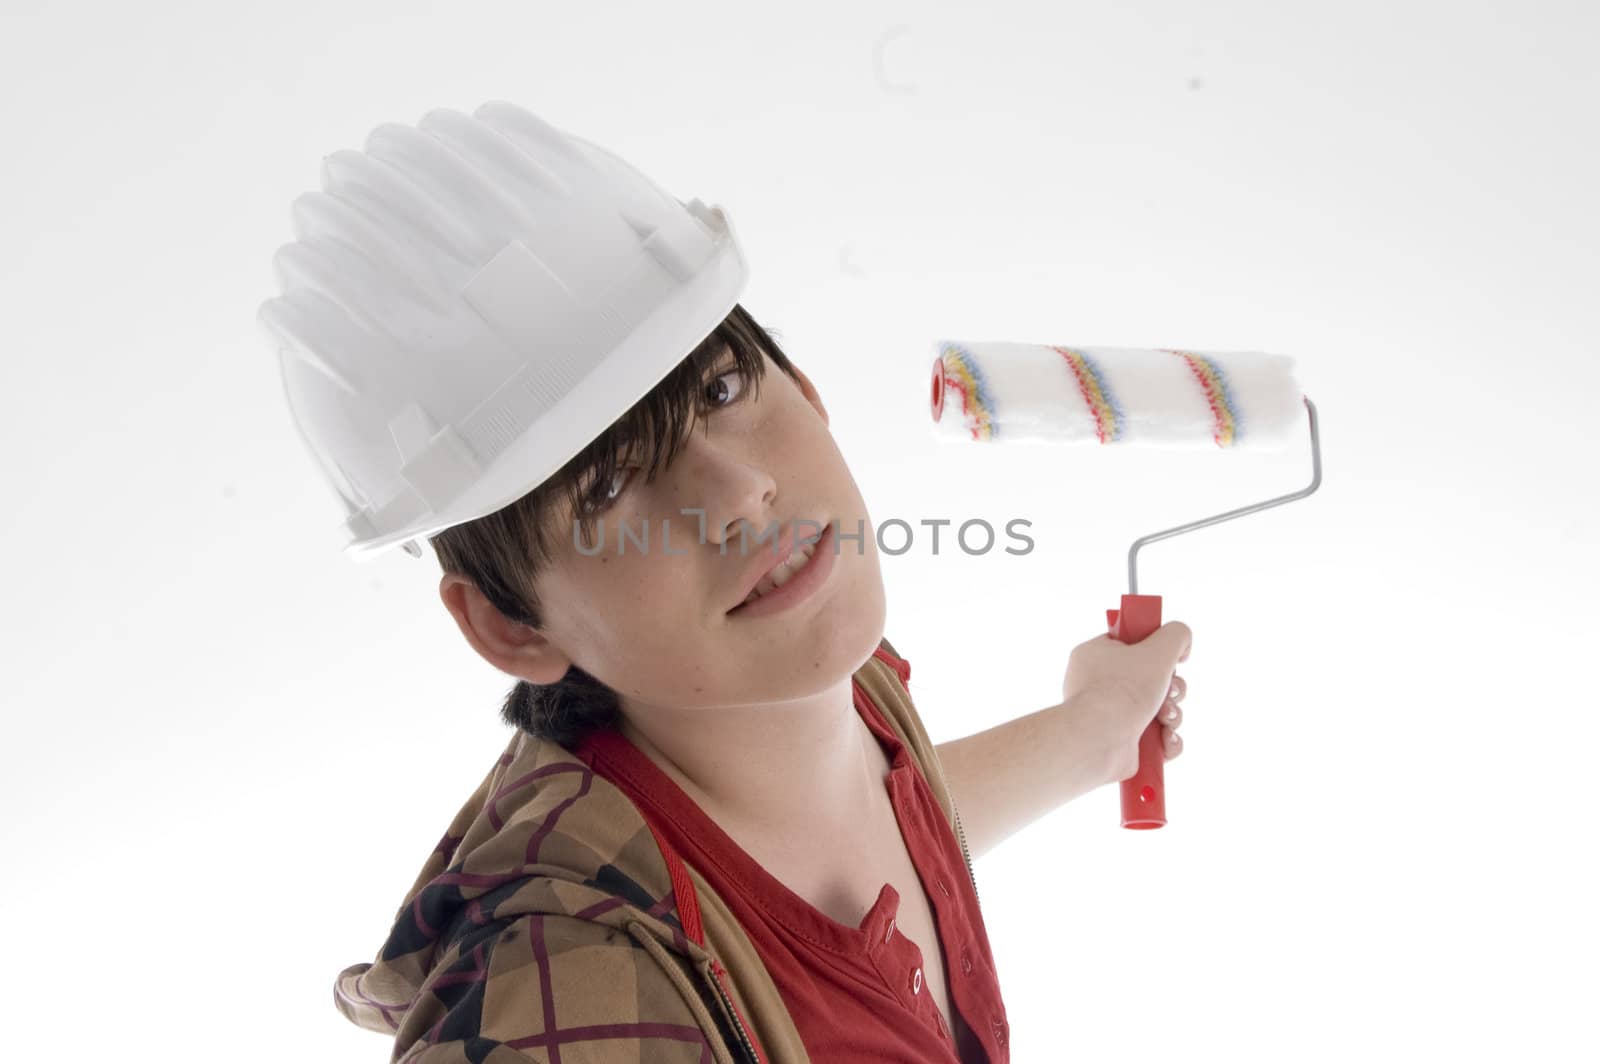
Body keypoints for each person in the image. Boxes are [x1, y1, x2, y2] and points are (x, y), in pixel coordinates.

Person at [259, 102, 1191, 1063]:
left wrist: (1093, 733)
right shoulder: (567, 997)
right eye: (609, 484)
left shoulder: (823, 682)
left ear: (808, 389)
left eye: (719, 390)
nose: (741, 492)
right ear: (508, 623)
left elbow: (880, 831)